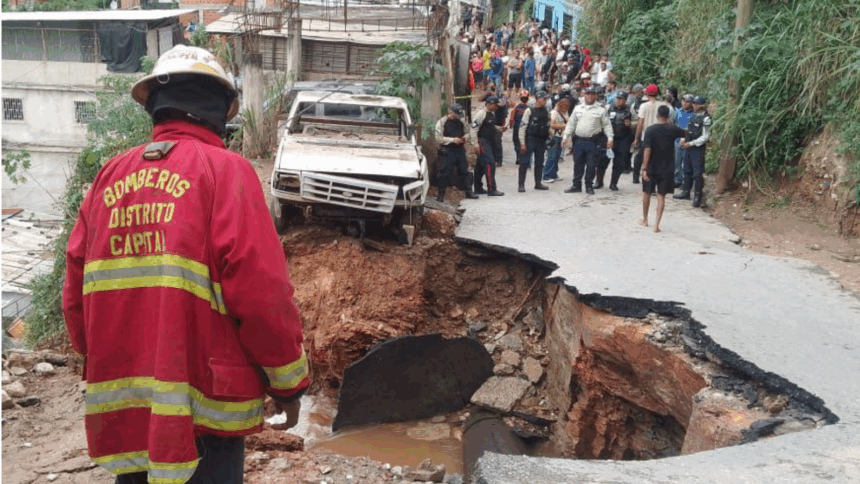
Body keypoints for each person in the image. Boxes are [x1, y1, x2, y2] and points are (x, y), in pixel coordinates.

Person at [62, 45, 308, 484]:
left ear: (154, 108)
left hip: (128, 410)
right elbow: (262, 292)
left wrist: (104, 361)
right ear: (221, 112)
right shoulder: (227, 172)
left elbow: (75, 293)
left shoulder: (110, 177)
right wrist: (288, 384)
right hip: (206, 414)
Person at [641, 105, 685, 232]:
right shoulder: (673, 129)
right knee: (661, 196)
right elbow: (685, 132)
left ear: (657, 115)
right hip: (667, 167)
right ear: (668, 117)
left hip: (652, 166)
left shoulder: (650, 130)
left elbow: (647, 149)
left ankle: (645, 219)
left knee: (647, 193)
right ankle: (657, 224)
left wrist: (644, 168)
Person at [561, 86, 613, 195]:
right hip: (579, 140)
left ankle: (589, 185)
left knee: (591, 164)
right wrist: (565, 136)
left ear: (595, 96)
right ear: (584, 95)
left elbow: (607, 125)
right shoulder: (578, 108)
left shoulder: (601, 110)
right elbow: (571, 123)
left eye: (591, 94)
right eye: (587, 94)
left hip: (593, 141)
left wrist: (610, 138)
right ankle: (576, 185)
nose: (589, 96)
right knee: (578, 163)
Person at [435, 103, 479, 202]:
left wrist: (465, 138)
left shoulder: (461, 121)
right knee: (444, 173)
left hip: (459, 149)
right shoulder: (442, 122)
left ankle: (468, 191)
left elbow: (468, 132)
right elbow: (438, 138)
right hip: (447, 150)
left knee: (464, 170)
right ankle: (441, 195)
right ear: (451, 112)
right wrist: (452, 140)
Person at [675, 96, 712, 208]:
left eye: (697, 104)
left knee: (697, 173)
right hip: (689, 146)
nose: (695, 105)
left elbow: (706, 136)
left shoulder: (706, 119)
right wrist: (684, 139)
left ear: (703, 105)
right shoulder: (693, 116)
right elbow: (688, 130)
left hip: (697, 148)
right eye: (694, 103)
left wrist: (691, 143)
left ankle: (697, 197)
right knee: (687, 169)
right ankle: (686, 192)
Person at [633, 83, 673, 184]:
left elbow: (640, 123)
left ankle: (637, 176)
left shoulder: (643, 106)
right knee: (656, 159)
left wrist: (636, 138)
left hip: (646, 135)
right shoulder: (663, 105)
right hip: (660, 136)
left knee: (641, 157)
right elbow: (669, 121)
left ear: (646, 94)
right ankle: (655, 180)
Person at [517, 90, 552, 192]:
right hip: (530, 139)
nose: (545, 101)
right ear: (538, 99)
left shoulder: (546, 111)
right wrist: (522, 143)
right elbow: (522, 127)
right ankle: (521, 185)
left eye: (546, 99)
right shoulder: (529, 111)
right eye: (543, 98)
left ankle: (538, 183)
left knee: (539, 162)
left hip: (541, 140)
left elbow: (548, 124)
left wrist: (550, 134)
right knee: (524, 162)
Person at [471, 96, 505, 196]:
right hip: (482, 141)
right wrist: (475, 144)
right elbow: (473, 130)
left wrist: (499, 129)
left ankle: (478, 187)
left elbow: (490, 126)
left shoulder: (491, 114)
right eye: (495, 105)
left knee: (481, 165)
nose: (497, 107)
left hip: (490, 141)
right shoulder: (481, 114)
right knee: (490, 163)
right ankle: (492, 189)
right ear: (490, 104)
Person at [606, 92, 636, 191]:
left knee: (619, 163)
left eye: (621, 99)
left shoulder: (630, 110)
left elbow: (637, 121)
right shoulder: (608, 108)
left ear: (625, 100)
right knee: (602, 161)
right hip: (608, 138)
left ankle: (613, 183)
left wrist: (630, 124)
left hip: (623, 139)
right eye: (617, 98)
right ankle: (599, 181)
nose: (619, 100)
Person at [542, 96, 570, 184]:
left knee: (557, 156)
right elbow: (552, 125)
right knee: (551, 156)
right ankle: (546, 175)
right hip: (554, 136)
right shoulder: (554, 113)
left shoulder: (565, 113)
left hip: (561, 137)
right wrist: (565, 126)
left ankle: (554, 174)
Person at [673, 94, 696, 188]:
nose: (684, 103)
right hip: (677, 138)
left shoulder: (694, 114)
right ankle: (677, 179)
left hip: (689, 139)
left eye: (687, 101)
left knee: (686, 161)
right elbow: (674, 123)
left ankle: (685, 181)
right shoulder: (678, 112)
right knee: (677, 160)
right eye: (683, 101)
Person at [509, 89, 530, 167]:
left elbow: (511, 118)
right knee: (525, 142)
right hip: (526, 128)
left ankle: (519, 157)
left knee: (517, 142)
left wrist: (511, 126)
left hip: (517, 127)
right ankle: (524, 158)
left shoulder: (516, 107)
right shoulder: (529, 107)